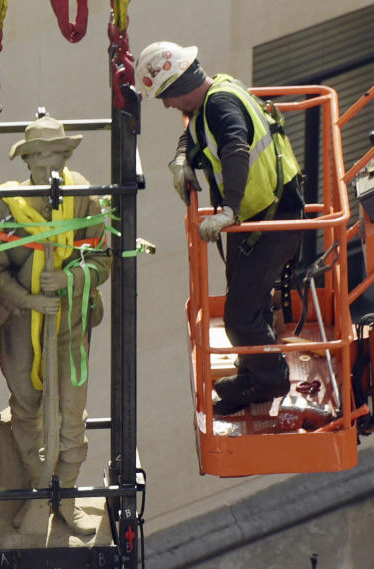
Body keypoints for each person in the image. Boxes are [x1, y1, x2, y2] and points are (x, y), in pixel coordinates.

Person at [138, 41, 304, 415]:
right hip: (263, 216)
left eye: (165, 95)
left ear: (180, 85)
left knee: (239, 316)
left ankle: (270, 380)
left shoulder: (219, 104)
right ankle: (253, 366)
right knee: (249, 300)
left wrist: (228, 209)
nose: (165, 105)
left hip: (273, 218)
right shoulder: (214, 95)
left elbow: (235, 148)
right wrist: (182, 158)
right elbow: (195, 132)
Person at [0, 116, 112, 535]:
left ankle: (69, 495)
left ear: (66, 157)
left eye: (54, 161)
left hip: (71, 323)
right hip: (22, 327)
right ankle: (40, 492)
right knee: (27, 410)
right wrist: (28, 299)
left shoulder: (84, 198)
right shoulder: (5, 205)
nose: (47, 171)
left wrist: (70, 280)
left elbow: (103, 261)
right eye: (38, 163)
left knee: (71, 413)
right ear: (26, 164)